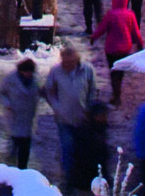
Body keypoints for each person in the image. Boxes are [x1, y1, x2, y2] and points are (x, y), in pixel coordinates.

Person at [42, 43, 101, 194]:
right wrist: (57, 107)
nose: (67, 65)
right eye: (65, 62)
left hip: (83, 120)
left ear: (76, 60)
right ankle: (69, 180)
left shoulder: (87, 70)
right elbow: (49, 91)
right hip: (64, 120)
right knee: (67, 150)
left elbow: (93, 90)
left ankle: (81, 179)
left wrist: (89, 109)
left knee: (82, 151)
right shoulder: (56, 72)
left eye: (70, 62)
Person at [98, 0, 145, 103]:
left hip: (111, 48)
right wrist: (140, 44)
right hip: (125, 48)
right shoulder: (130, 15)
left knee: (113, 70)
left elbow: (102, 29)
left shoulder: (110, 14)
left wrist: (94, 37)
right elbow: (135, 32)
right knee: (120, 71)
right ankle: (118, 91)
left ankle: (116, 94)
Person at [0, 57, 42, 169]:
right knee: (13, 145)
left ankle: (22, 169)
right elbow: (0, 92)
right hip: (14, 117)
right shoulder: (10, 79)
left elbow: (39, 93)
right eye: (26, 72)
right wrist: (7, 104)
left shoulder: (35, 81)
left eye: (30, 72)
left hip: (28, 118)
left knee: (25, 147)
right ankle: (11, 169)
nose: (28, 74)